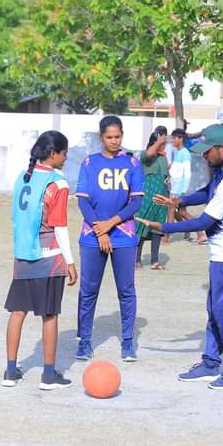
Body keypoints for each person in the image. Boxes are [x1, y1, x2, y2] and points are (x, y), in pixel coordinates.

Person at [138, 124, 223, 390]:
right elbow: (207, 191)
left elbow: (203, 222)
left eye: (207, 151)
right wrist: (180, 201)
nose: (204, 156)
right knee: (214, 307)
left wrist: (163, 227)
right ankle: (211, 363)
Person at [2, 130, 78, 390]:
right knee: (49, 315)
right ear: (53, 154)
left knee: (17, 312)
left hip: (23, 254)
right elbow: (59, 226)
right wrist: (70, 262)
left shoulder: (22, 178)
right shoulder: (58, 183)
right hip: (49, 257)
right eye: (64, 153)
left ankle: (10, 371)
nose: (66, 158)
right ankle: (48, 375)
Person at [75, 116, 144, 361]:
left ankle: (128, 342)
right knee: (88, 290)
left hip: (123, 236)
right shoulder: (89, 162)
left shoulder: (133, 164)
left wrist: (110, 224)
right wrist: (100, 231)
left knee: (126, 290)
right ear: (101, 137)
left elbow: (136, 202)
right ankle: (84, 341)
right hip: (92, 236)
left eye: (117, 136)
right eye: (109, 137)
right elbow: (83, 201)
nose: (114, 141)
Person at [135, 126, 169, 269]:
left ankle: (155, 260)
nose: (164, 145)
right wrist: (158, 142)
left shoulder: (163, 157)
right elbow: (148, 155)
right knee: (142, 227)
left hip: (161, 199)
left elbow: (166, 175)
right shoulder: (146, 155)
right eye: (161, 143)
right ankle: (136, 259)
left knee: (157, 229)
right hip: (147, 198)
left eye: (164, 143)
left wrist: (167, 181)